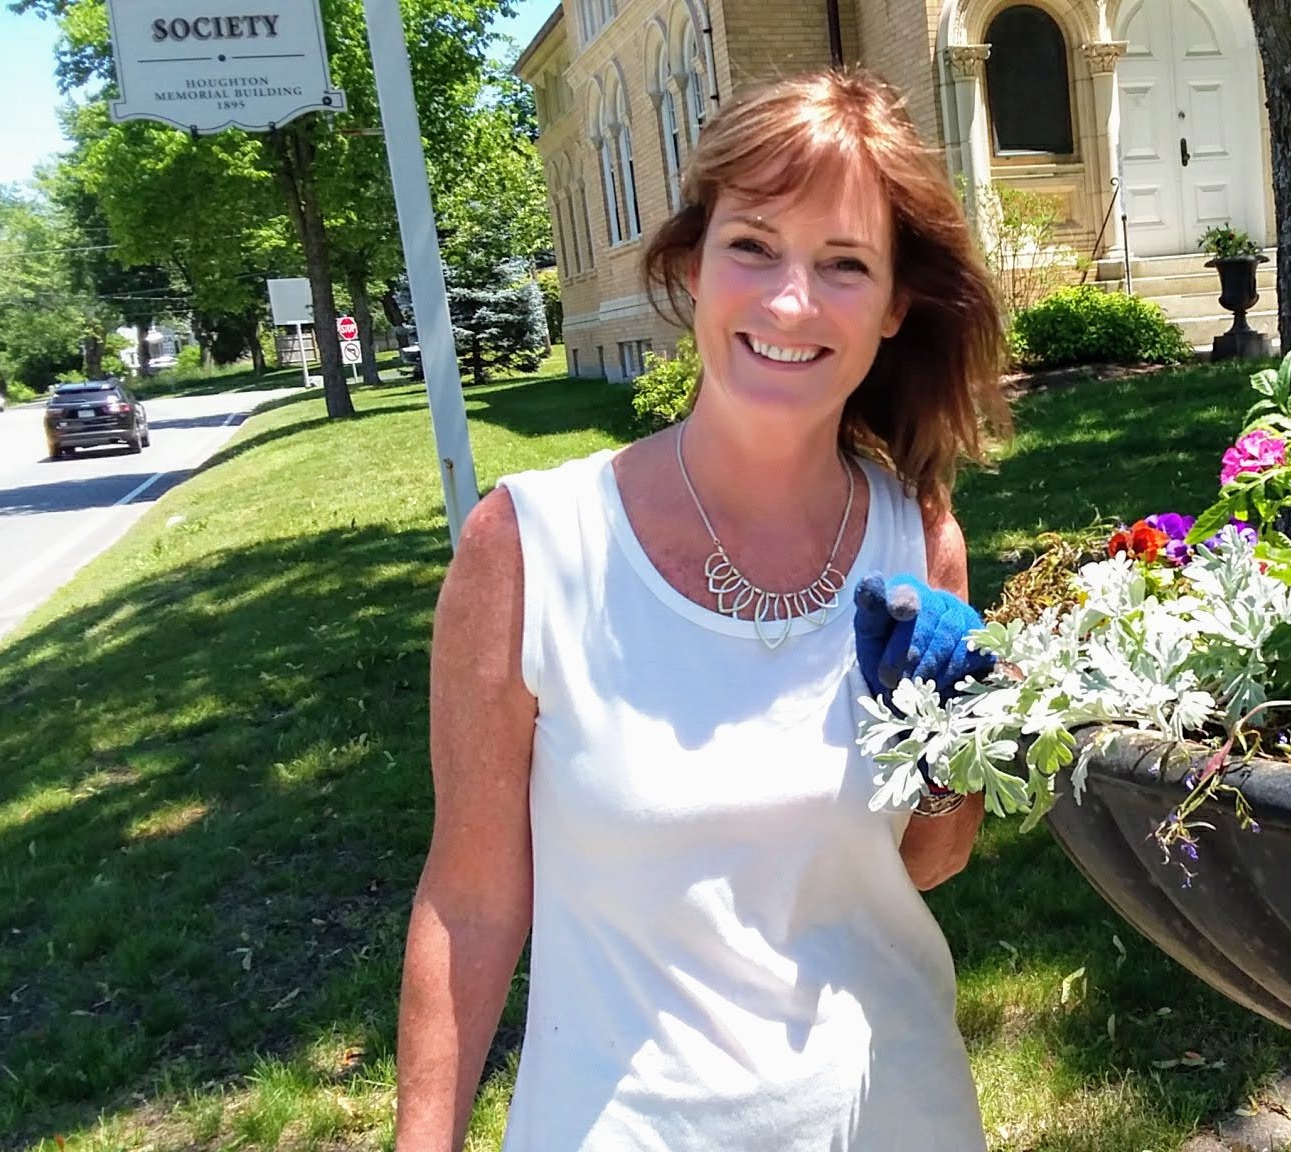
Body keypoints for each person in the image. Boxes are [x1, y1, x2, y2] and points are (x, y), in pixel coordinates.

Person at [395, 69, 1011, 1151]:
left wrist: (958, 746)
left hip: (896, 1116)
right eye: (753, 247)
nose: (789, 301)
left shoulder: (920, 547)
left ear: (894, 303)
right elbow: (470, 902)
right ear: (691, 262)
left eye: (843, 265)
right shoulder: (532, 549)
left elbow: (924, 860)